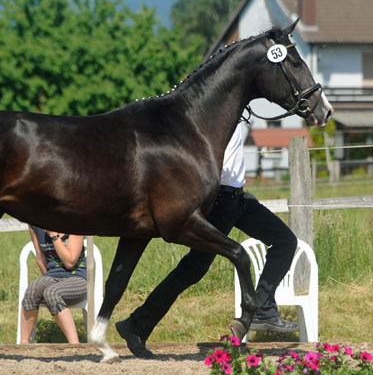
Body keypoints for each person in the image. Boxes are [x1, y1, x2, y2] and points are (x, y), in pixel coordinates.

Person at [116, 123, 299, 358]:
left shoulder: (236, 111)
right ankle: (136, 324)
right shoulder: (212, 115)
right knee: (193, 269)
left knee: (285, 241)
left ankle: (262, 307)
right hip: (219, 201)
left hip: (239, 199)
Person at [19, 226, 87, 344]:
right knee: (33, 289)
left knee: (52, 292)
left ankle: (75, 345)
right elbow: (40, 258)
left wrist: (54, 236)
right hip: (52, 276)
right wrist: (47, 280)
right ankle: (23, 345)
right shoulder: (35, 224)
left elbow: (69, 262)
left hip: (77, 278)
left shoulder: (75, 221)